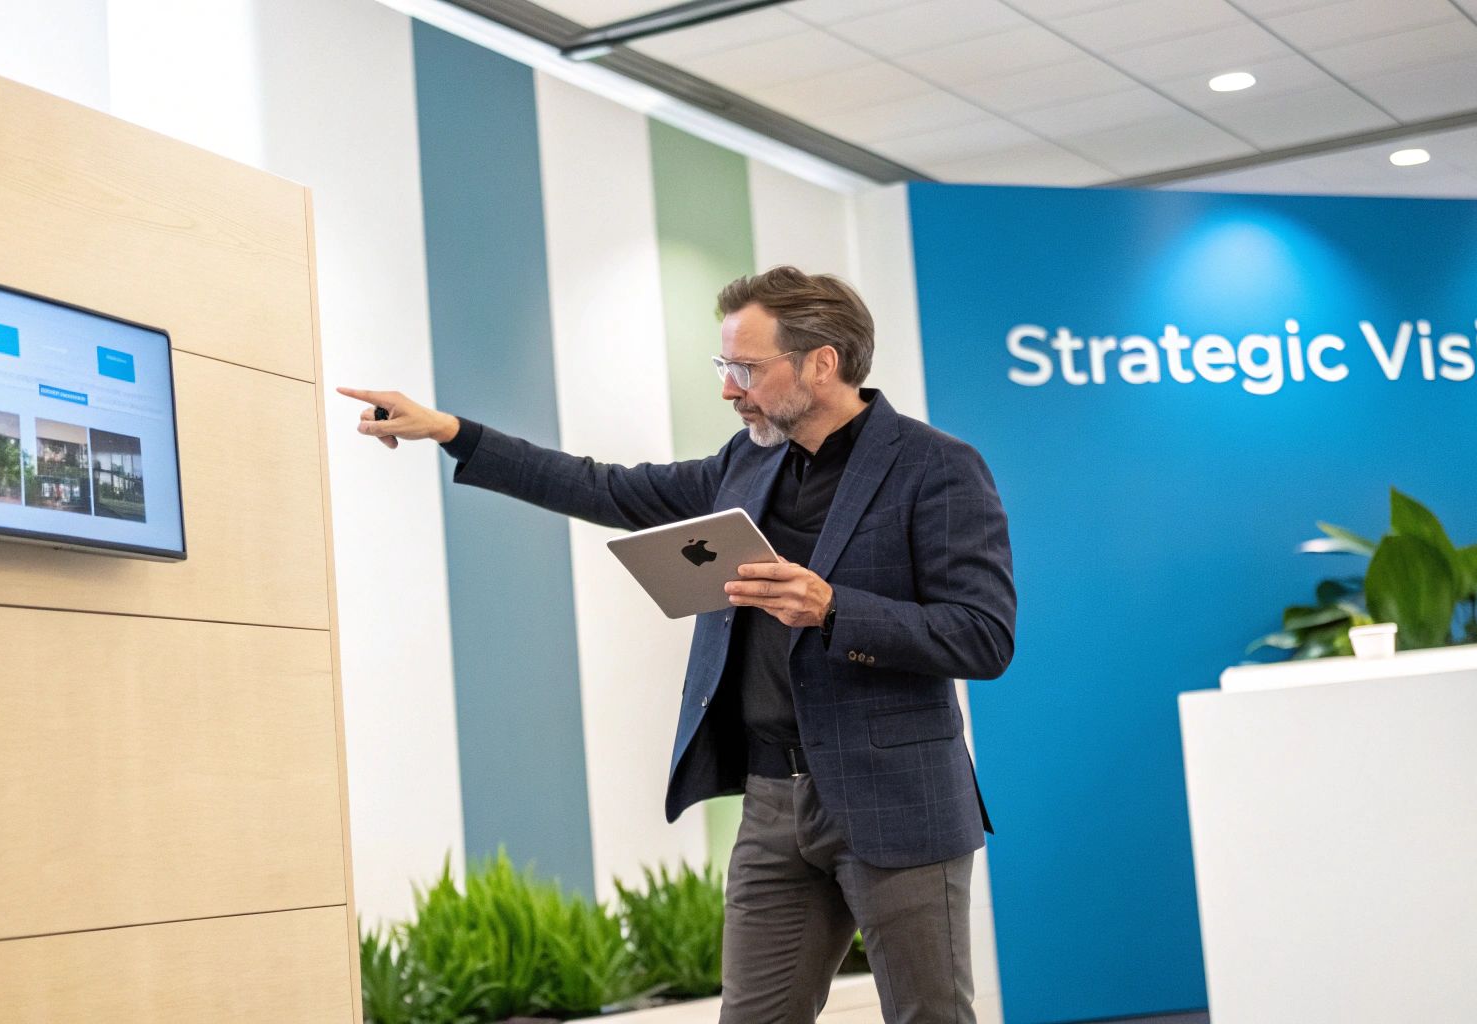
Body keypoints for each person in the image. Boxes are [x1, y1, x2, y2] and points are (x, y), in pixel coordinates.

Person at [340, 266, 1016, 1024]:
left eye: (747, 369)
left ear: (822, 363)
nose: (730, 389)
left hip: (898, 797)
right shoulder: (745, 461)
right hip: (771, 801)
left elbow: (984, 637)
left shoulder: (937, 467)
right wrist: (452, 432)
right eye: (724, 367)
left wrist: (834, 609)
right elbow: (606, 488)